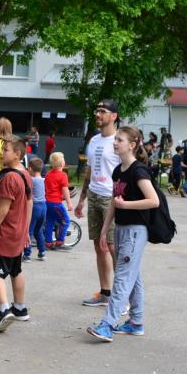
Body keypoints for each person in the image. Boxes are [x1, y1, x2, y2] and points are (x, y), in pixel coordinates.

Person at [85, 126, 159, 342]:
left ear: (132, 145)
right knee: (132, 276)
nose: (115, 143)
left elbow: (153, 200)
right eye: (115, 139)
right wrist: (104, 230)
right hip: (120, 229)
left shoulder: (139, 171)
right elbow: (113, 202)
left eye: (120, 140)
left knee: (123, 277)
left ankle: (107, 324)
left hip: (135, 231)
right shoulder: (118, 170)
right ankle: (136, 322)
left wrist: (126, 205)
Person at [0, 135, 32, 333]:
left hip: (4, 233)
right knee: (16, 270)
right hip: (18, 232)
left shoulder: (9, 178)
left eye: (5, 150)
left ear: (17, 154)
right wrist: (26, 230)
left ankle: (4, 310)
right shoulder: (25, 174)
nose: (1, 153)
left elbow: (2, 210)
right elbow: (29, 203)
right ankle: (20, 308)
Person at [74, 99, 119, 309]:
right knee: (98, 246)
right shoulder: (93, 140)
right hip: (94, 195)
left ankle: (122, 296)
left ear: (114, 116)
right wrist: (82, 199)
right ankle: (105, 293)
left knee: (112, 246)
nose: (97, 114)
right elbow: (90, 171)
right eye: (97, 110)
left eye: (102, 111)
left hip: (112, 199)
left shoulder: (119, 141)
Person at [44, 151, 74, 249]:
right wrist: (69, 203)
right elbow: (65, 190)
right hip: (56, 203)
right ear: (62, 163)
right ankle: (60, 241)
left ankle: (48, 242)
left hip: (47, 202)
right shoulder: (63, 175)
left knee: (50, 222)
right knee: (65, 221)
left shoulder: (48, 174)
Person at [23, 155, 47, 262]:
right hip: (43, 206)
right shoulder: (43, 180)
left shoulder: (30, 180)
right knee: (39, 230)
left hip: (34, 207)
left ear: (30, 168)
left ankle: (27, 254)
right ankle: (42, 252)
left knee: (29, 231)